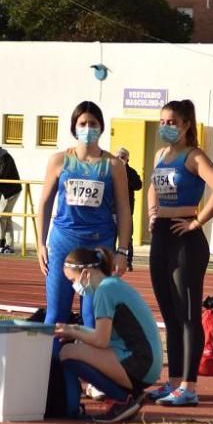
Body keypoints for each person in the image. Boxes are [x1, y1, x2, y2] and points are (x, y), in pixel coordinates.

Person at [146, 99, 213, 407]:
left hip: (186, 242)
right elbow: (152, 187)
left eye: (171, 122)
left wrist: (197, 221)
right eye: (162, 122)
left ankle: (189, 386)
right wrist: (152, 212)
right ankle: (172, 382)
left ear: (186, 125)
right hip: (162, 237)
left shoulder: (194, 157)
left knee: (187, 316)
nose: (165, 127)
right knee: (169, 316)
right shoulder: (160, 155)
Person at [36, 101, 133, 328]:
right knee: (56, 315)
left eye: (93, 123)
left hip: (99, 245)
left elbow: (123, 209)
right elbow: (44, 204)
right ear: (74, 127)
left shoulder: (114, 165)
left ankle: (87, 364)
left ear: (101, 127)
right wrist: (40, 243)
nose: (87, 128)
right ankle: (51, 362)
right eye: (82, 123)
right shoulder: (59, 161)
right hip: (63, 243)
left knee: (92, 318)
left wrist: (122, 251)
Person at [54, 247, 162, 424]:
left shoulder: (104, 291)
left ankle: (122, 399)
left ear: (86, 273)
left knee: (67, 353)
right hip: (146, 362)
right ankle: (127, 396)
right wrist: (74, 330)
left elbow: (100, 340)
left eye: (72, 280)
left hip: (140, 363)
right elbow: (103, 336)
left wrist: (74, 332)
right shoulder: (112, 285)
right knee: (76, 348)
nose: (74, 286)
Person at [115, 147, 144, 271]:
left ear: (127, 159)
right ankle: (110, 260)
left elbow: (139, 185)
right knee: (111, 235)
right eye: (117, 157)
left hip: (127, 210)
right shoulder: (109, 170)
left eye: (122, 157)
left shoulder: (131, 172)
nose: (119, 159)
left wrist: (125, 182)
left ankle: (128, 262)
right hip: (111, 210)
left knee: (127, 237)